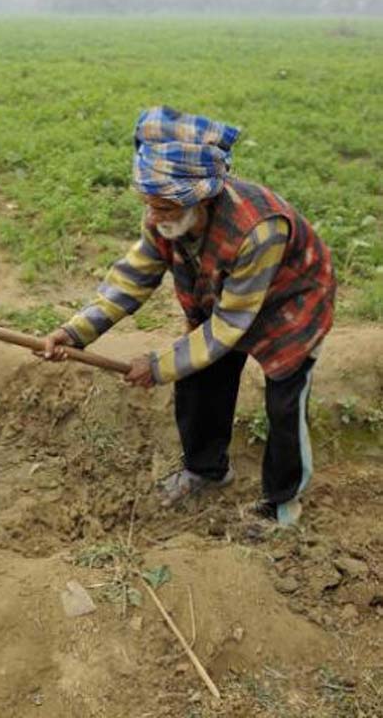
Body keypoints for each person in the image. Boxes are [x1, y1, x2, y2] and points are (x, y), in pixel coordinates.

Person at [42, 106, 336, 526]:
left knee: (284, 403)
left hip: (290, 306)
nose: (153, 215)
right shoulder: (164, 216)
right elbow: (133, 277)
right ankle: (205, 471)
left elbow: (230, 325)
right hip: (223, 297)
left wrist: (159, 365)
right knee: (200, 379)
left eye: (163, 207)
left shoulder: (259, 229)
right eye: (149, 203)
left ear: (199, 198)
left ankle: (282, 505)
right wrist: (75, 332)